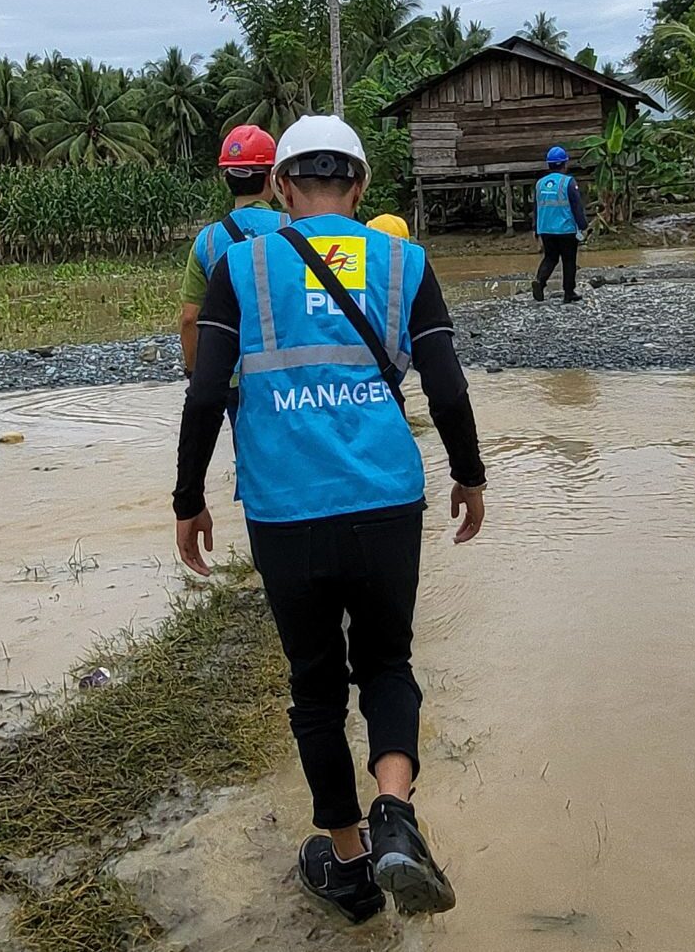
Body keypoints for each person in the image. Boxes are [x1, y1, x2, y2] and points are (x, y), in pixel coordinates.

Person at [173, 115, 487, 923]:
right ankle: (394, 815)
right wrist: (470, 474)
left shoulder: (237, 265)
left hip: (286, 508)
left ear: (281, 186)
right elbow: (447, 390)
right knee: (387, 662)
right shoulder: (403, 260)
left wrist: (188, 498)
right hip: (387, 498)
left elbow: (206, 392)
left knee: (315, 688)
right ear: (361, 184)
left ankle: (347, 866)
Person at [179, 125, 289, 424]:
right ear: (272, 178)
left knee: (247, 455)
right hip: (288, 372)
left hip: (231, 375)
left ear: (226, 178)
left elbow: (190, 319)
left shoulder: (208, 240)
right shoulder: (293, 226)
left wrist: (195, 373)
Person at [532, 145, 589, 304]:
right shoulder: (568, 182)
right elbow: (576, 206)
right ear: (564, 163)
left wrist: (535, 228)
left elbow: (536, 207)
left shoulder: (540, 184)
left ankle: (540, 281)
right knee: (569, 260)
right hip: (565, 228)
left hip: (545, 228)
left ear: (549, 164)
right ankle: (569, 292)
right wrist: (583, 225)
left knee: (550, 257)